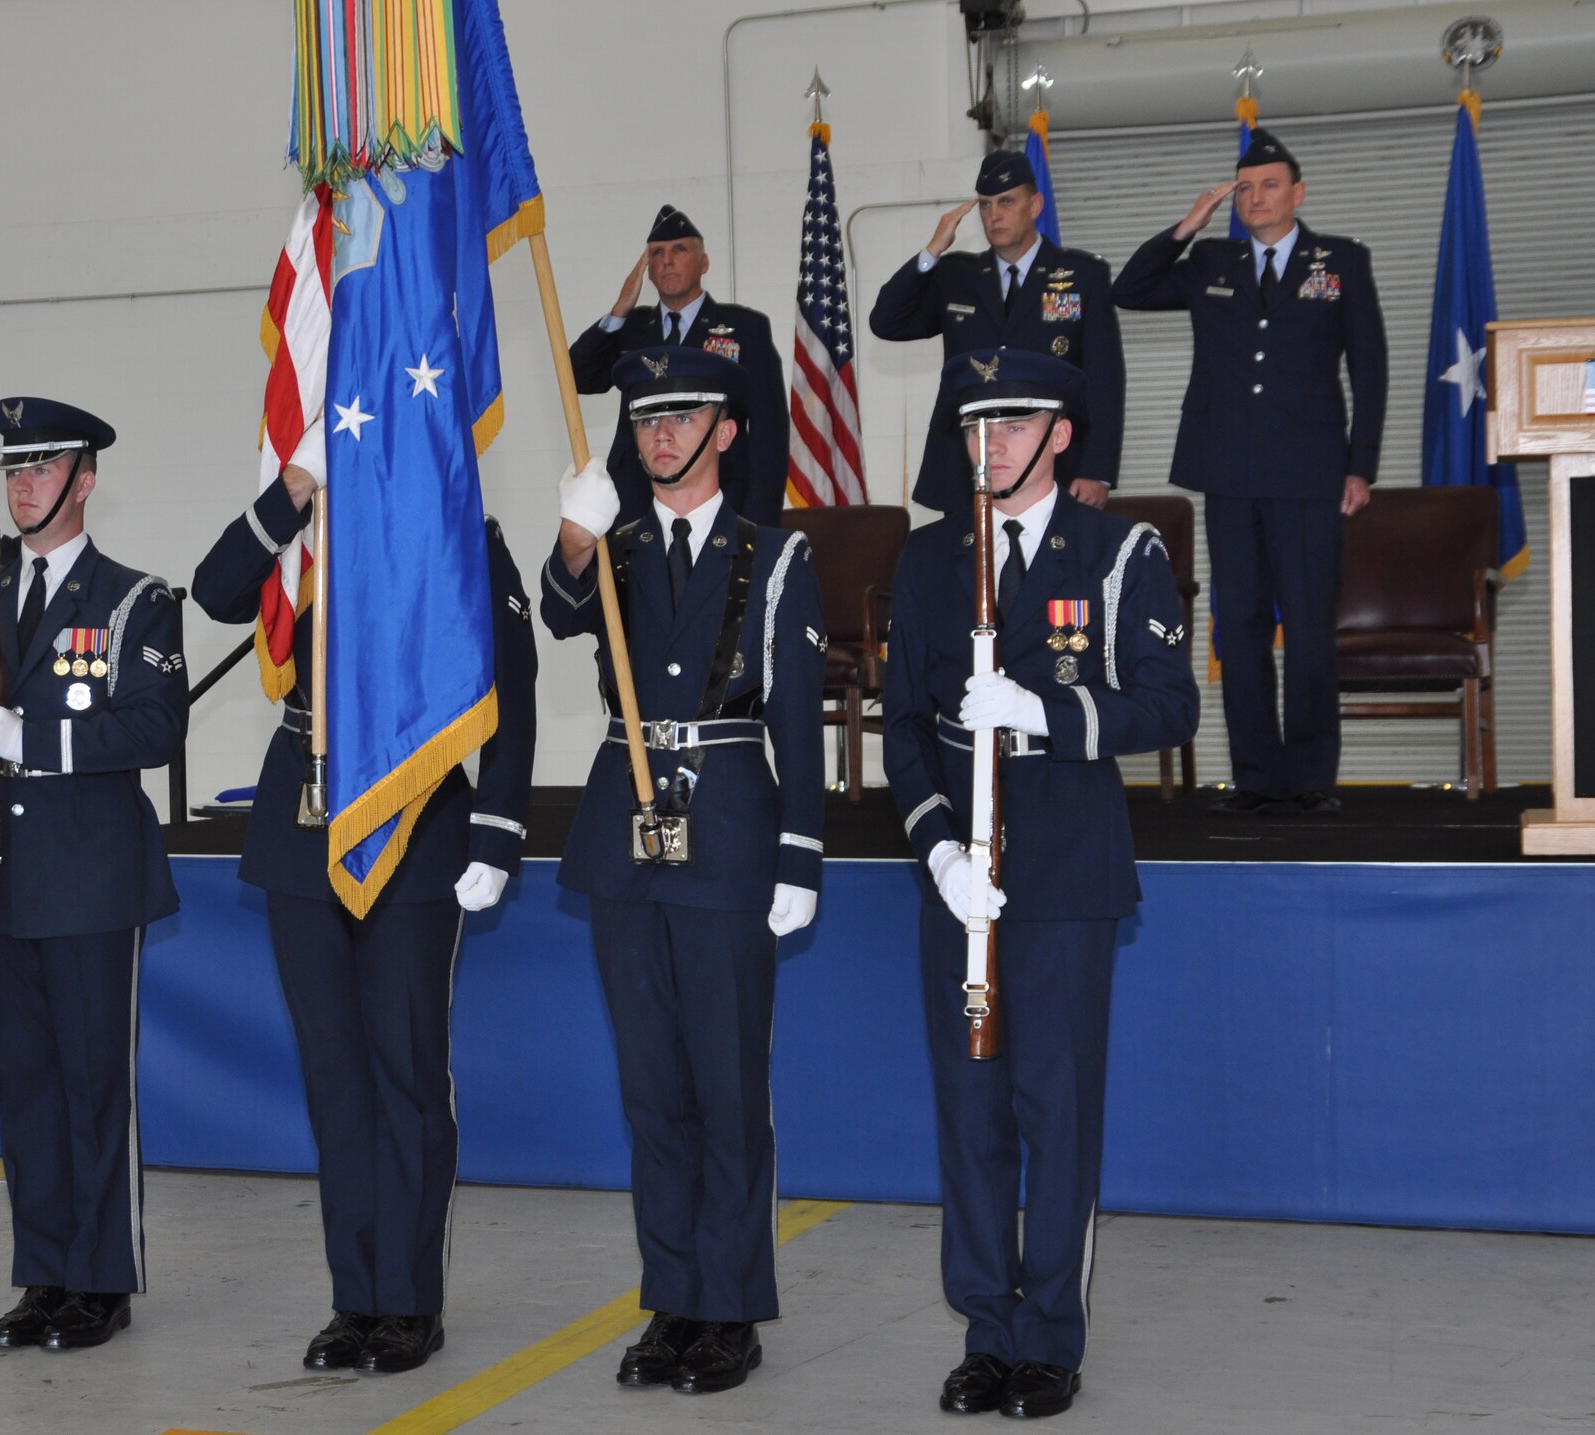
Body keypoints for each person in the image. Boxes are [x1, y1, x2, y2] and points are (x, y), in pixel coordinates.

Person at [882, 350, 1198, 1420]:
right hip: (959, 877)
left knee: (1052, 1112)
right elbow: (899, 730)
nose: (992, 445)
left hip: (1061, 865)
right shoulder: (929, 561)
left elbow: (1169, 707)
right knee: (968, 1111)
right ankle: (985, 1327)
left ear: (1059, 432)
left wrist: (1040, 714)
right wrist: (937, 851)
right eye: (976, 427)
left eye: (1013, 424)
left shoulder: (1116, 552)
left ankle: (1048, 1337)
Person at [189, 431, 537, 1376]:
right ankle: (357, 1295)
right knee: (335, 1077)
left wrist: (499, 827)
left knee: (408, 1073)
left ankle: (410, 1300)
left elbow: (514, 679)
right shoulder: (309, 530)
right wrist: (292, 491)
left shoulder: (467, 535)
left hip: (416, 818)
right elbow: (215, 591)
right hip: (304, 815)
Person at [541, 348, 824, 1395]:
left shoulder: (774, 555)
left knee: (726, 1085)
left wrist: (801, 850)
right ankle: (670, 1299)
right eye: (647, 418)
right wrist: (572, 537)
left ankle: (729, 1305)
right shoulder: (610, 548)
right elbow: (558, 612)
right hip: (624, 832)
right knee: (651, 1092)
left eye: (684, 415)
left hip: (728, 834)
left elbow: (794, 713)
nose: (661, 434)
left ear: (726, 429)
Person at [0, 397, 187, 1352]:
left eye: (43, 467)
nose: (24, 482)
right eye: (14, 469)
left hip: (89, 879)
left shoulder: (134, 598)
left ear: (84, 480)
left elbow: (157, 725)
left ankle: (101, 1280)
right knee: (24, 1085)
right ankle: (42, 1273)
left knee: (91, 1085)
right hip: (1, 880)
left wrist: (33, 738)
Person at [1112, 129, 1386, 816]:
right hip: (1230, 469)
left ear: (1298, 191)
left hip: (1310, 472)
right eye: (1246, 188)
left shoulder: (1341, 260)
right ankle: (1257, 776)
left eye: (1270, 185)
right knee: (1238, 626)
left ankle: (1313, 776)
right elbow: (1130, 288)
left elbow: (1371, 367)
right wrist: (1186, 225)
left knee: (1310, 628)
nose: (1257, 198)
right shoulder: (1212, 260)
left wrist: (1362, 466)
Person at [868, 151, 1125, 516]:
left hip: (1053, 461)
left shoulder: (1082, 276)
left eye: (1007, 202)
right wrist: (931, 251)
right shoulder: (957, 276)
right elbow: (886, 322)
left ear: (1035, 205)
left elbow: (1104, 379)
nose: (994, 215)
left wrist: (1097, 470)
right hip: (966, 464)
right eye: (985, 205)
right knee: (966, 571)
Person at [568, 205, 790, 528]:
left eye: (679, 249)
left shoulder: (744, 327)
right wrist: (619, 309)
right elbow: (576, 375)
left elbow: (769, 433)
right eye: (656, 253)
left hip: (721, 500)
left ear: (704, 263)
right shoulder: (631, 328)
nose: (667, 260)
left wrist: (756, 525)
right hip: (636, 505)